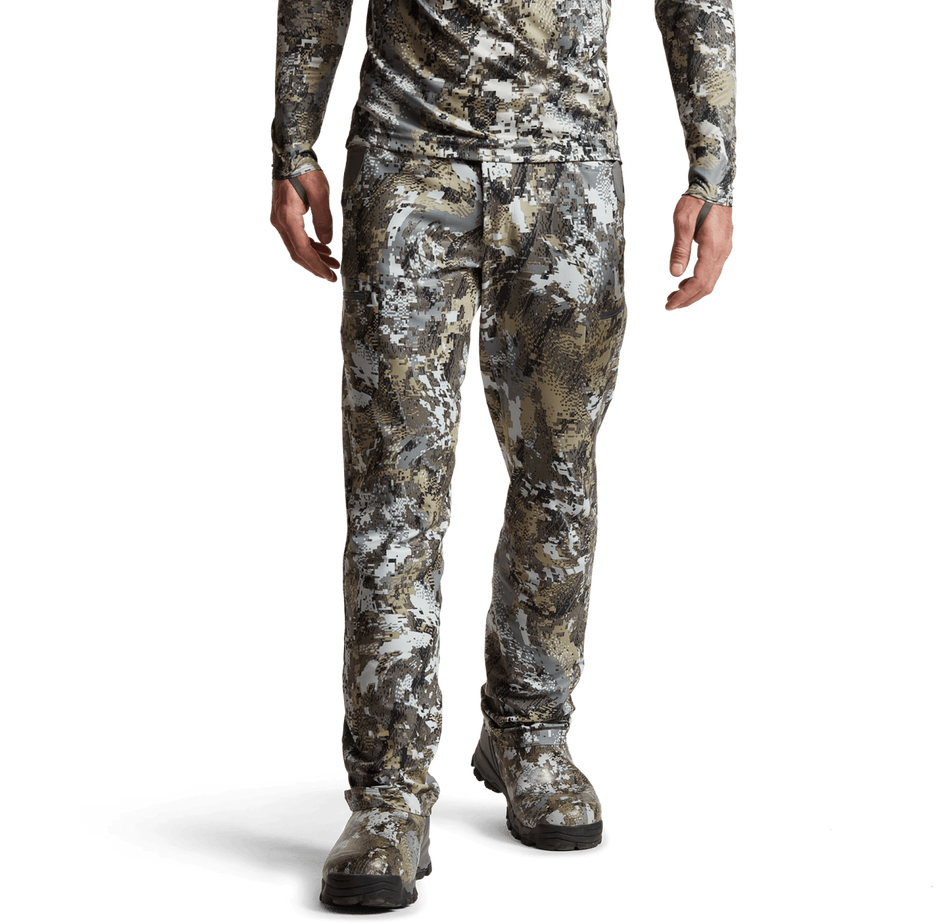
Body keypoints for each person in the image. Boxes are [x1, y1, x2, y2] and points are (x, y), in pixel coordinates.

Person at [268, 0, 738, 907]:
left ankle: (529, 734)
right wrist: (293, 142)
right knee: (391, 492)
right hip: (407, 158)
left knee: (558, 476)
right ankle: (389, 794)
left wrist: (712, 170)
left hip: (569, 171)